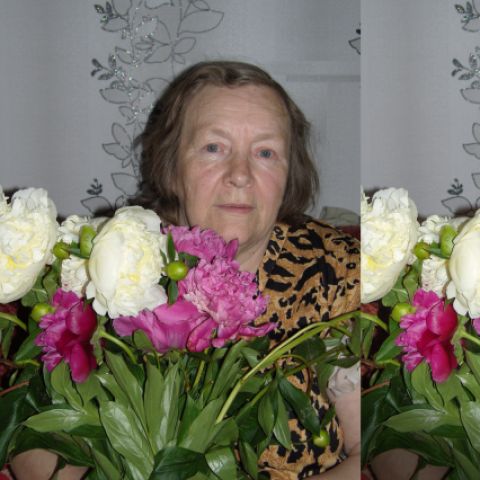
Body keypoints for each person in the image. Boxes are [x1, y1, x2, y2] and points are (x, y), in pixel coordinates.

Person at [11, 61, 360, 479]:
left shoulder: (332, 268)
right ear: (172, 166)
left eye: (265, 153)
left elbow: (368, 447)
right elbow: (32, 438)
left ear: (289, 174)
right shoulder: (109, 265)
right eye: (214, 148)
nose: (240, 175)